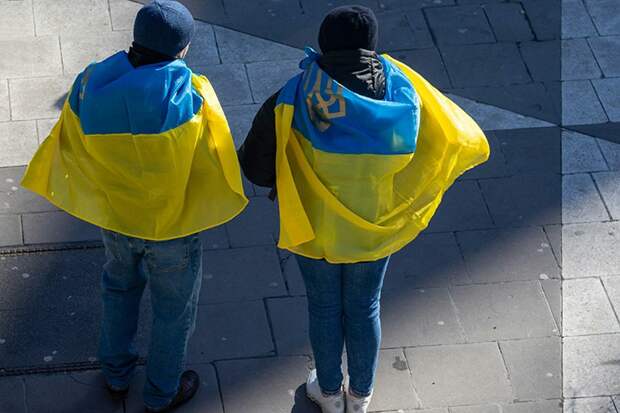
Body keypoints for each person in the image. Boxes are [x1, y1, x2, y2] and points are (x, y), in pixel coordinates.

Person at [238, 5, 489, 413]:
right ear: (371, 46)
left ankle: (328, 393)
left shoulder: (292, 96)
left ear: (323, 44)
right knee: (365, 307)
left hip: (314, 227)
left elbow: (256, 168)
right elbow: (437, 140)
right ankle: (360, 397)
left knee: (323, 307)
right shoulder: (402, 91)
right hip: (375, 226)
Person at [21, 1, 248, 411]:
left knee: (118, 291)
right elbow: (214, 157)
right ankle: (162, 393)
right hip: (173, 227)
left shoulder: (90, 83)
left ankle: (116, 375)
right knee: (174, 311)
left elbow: (71, 143)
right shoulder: (192, 94)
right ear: (182, 49)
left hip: (117, 218)